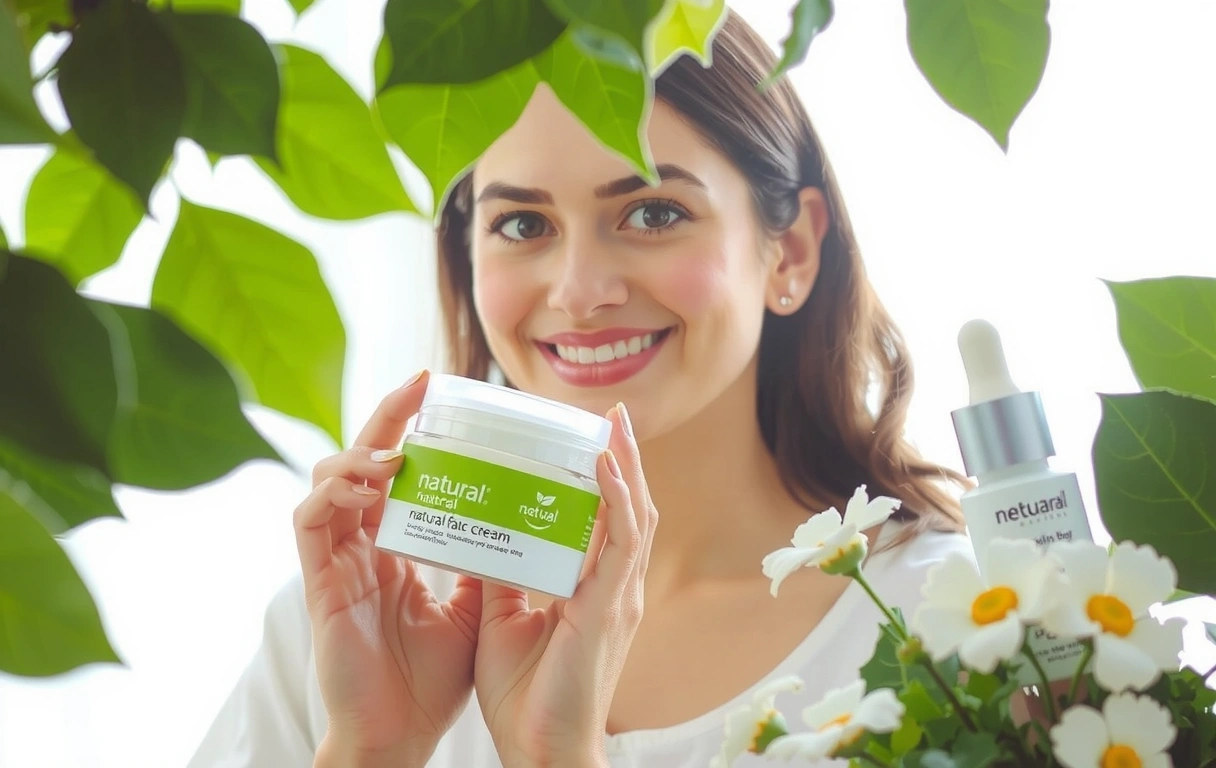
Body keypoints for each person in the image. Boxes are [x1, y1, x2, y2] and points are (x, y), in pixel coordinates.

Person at [187, 11, 973, 768]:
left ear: (791, 252)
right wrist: (373, 752)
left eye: (654, 212)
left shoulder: (956, 622)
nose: (579, 291)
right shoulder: (363, 621)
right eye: (524, 226)